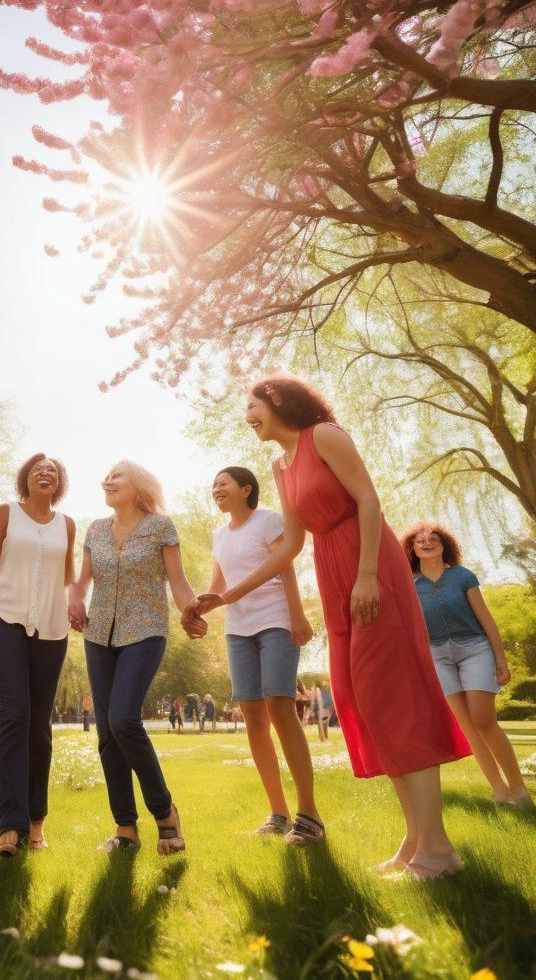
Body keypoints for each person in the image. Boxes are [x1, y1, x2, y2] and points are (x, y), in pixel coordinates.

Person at [188, 374, 470, 878]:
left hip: (368, 563)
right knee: (365, 697)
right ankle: (415, 840)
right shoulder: (280, 465)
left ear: (278, 401)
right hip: (331, 570)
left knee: (394, 693)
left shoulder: (324, 435)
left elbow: (368, 500)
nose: (248, 417)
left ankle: (439, 850)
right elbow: (292, 546)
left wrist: (368, 575)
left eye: (252, 405)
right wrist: (225, 596)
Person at [69, 460, 207, 855]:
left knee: (122, 720)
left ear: (139, 485)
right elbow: (82, 581)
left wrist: (191, 609)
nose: (107, 480)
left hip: (145, 630)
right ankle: (125, 830)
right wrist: (74, 598)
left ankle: (165, 813)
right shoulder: (96, 529)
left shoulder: (160, 527)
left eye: (118, 476)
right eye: (106, 475)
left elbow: (178, 581)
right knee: (107, 733)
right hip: (99, 634)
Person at [204, 464, 322, 840]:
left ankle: (309, 814)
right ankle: (278, 814)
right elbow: (218, 586)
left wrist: (297, 615)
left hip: (275, 619)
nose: (216, 488)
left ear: (246, 489)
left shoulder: (268, 521)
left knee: (279, 706)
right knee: (254, 716)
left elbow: (285, 568)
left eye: (223, 483)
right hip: (237, 629)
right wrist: (195, 607)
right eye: (213, 485)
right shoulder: (219, 535)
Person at [0, 454, 75, 856]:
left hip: (51, 625)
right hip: (4, 617)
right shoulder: (6, 513)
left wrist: (78, 603)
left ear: (58, 482)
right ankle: (9, 829)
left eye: (52, 470)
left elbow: (68, 577)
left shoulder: (67, 524)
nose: (45, 473)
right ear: (25, 479)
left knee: (38, 726)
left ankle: (36, 823)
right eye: (37, 469)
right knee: (13, 715)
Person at [402, 522, 533, 809]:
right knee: (467, 727)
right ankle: (500, 791)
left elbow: (486, 619)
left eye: (434, 538)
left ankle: (519, 790)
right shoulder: (408, 585)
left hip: (474, 648)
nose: (427, 542)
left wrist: (500, 659)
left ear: (444, 544)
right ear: (412, 549)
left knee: (483, 719)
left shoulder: (462, 576)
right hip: (437, 656)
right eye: (420, 540)